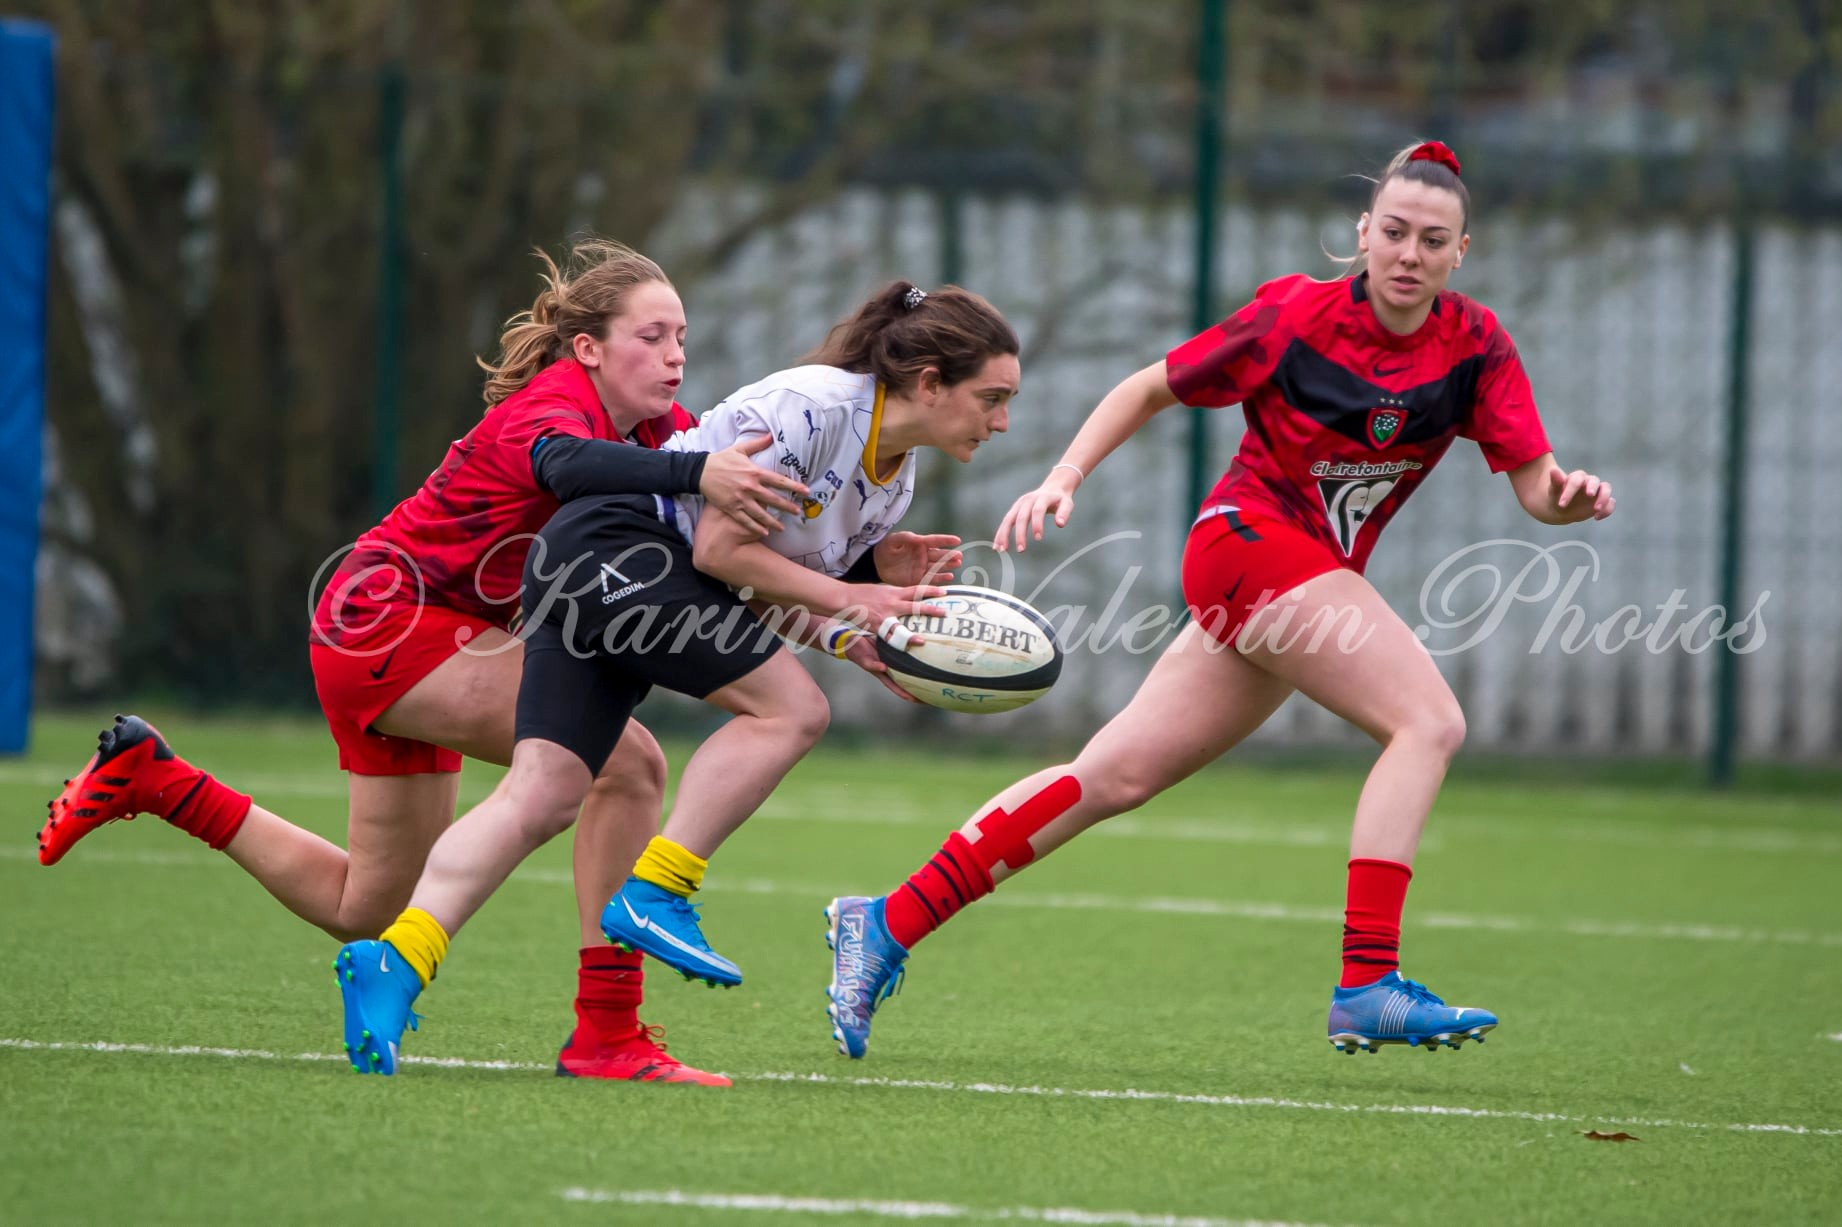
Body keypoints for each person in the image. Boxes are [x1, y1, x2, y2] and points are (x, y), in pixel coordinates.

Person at [823, 141, 1617, 1059]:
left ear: (1460, 252)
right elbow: (1148, 387)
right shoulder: (1294, 316)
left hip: (1298, 570)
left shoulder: (1476, 346)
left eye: (1431, 241)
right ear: (1363, 233)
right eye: (1393, 232)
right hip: (1246, 544)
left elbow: (1535, 486)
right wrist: (1063, 477)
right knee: (1428, 722)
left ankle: (884, 920)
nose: (1409, 254)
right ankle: (1367, 982)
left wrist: (1566, 501)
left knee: (1110, 777)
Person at [38, 238, 808, 1082]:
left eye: (681, 339)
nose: (674, 357)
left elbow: (707, 542)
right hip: (391, 620)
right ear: (587, 348)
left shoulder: (655, 434)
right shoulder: (556, 407)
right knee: (627, 765)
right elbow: (568, 465)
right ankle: (607, 1032)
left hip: (411, 634)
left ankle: (158, 779)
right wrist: (700, 472)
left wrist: (858, 585)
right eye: (652, 337)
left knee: (364, 908)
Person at [329, 281, 1021, 1081]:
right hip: (612, 548)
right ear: (930, 381)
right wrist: (849, 595)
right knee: (792, 711)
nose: (1001, 421)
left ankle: (401, 960)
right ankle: (660, 888)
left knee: (544, 792)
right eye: (991, 398)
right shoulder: (813, 407)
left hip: (595, 562)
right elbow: (720, 554)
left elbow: (760, 581)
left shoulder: (891, 481)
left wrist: (844, 629)